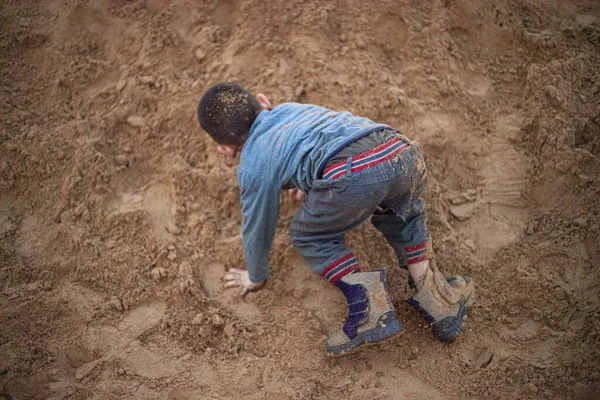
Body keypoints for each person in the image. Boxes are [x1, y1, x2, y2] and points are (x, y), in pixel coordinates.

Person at [196, 82, 474, 356]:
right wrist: (306, 181)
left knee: (308, 235)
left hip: (353, 173)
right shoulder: (291, 109)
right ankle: (437, 300)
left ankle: (369, 308)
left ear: (225, 148)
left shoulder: (253, 166)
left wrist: (255, 276)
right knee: (404, 214)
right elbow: (318, 142)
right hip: (399, 150)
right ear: (263, 101)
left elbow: (257, 227)